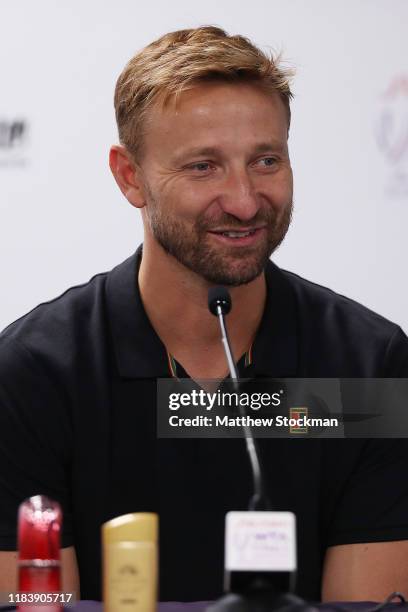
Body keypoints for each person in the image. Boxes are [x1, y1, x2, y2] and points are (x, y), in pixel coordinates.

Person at [1, 25, 408, 604]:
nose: (244, 201)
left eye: (266, 160)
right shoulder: (32, 374)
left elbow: (369, 605)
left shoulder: (369, 367)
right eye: (202, 167)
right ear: (129, 177)